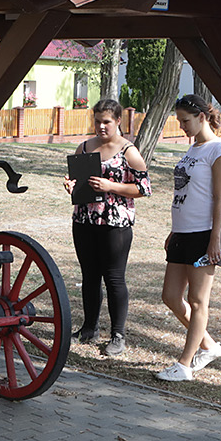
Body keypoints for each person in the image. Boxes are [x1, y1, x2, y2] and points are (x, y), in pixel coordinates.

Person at [63, 99, 150, 357]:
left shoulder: (128, 152)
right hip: (85, 220)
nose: (101, 127)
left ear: (118, 122)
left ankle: (118, 335)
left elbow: (144, 189)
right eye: (97, 121)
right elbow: (76, 179)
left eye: (107, 122)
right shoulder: (85, 147)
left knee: (114, 278)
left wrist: (110, 186)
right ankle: (89, 328)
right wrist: (70, 185)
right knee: (89, 276)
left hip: (115, 225)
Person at [156, 94, 221, 382]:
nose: (182, 126)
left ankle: (185, 365)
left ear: (202, 117)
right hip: (182, 233)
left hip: (204, 234)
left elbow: (219, 197)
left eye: (185, 121)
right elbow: (185, 195)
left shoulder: (218, 151)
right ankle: (209, 346)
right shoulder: (192, 150)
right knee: (171, 296)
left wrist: (215, 238)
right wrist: (174, 229)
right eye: (179, 121)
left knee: (198, 301)